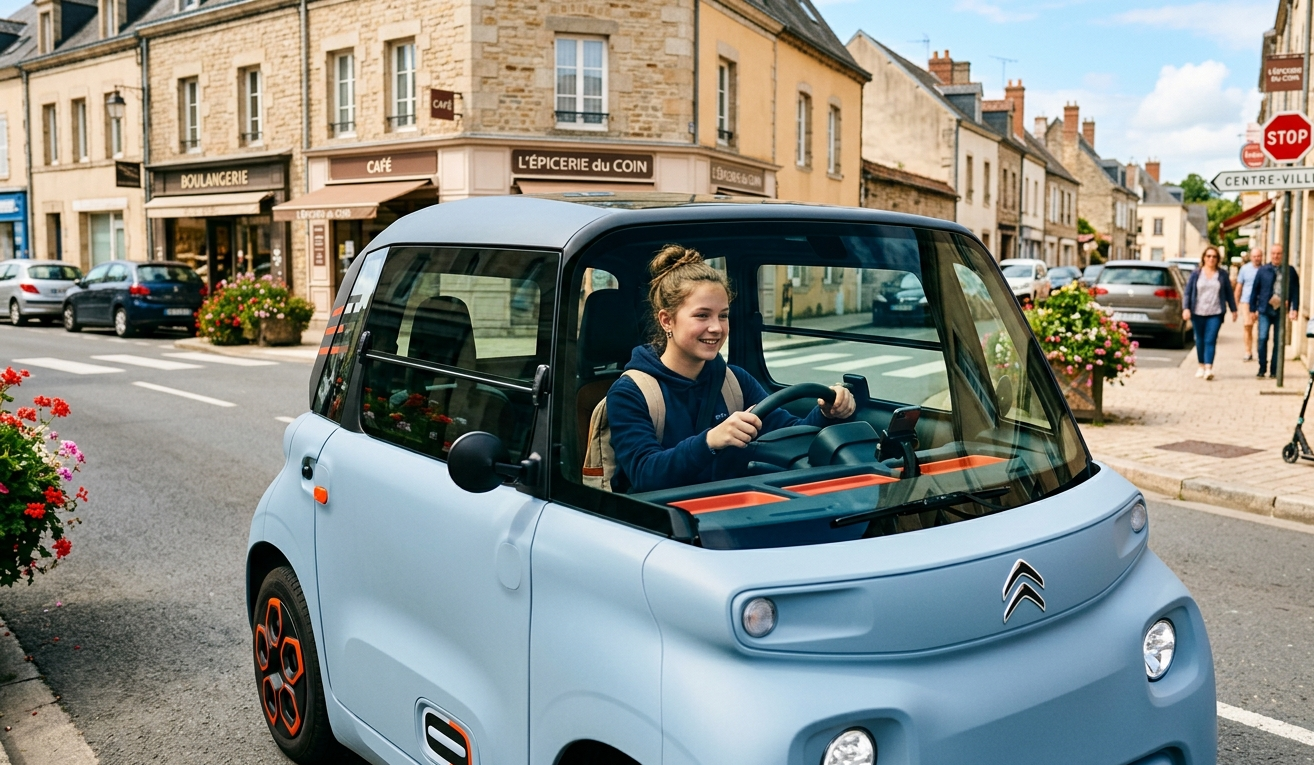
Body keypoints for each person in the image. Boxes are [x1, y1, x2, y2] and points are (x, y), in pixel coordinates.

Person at [606, 245, 856, 493]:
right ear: (667, 320)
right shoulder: (630, 392)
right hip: (664, 524)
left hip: (731, 512)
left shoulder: (734, 381)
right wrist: (710, 441)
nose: (716, 328)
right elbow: (644, 474)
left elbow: (790, 435)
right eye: (702, 315)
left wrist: (827, 413)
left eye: (723, 316)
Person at [1181, 246, 1237, 381]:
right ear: (1204, 258)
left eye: (1214, 257)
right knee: (1199, 340)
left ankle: (1208, 368)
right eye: (1208, 256)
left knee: (1210, 340)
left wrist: (1234, 309)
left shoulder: (1222, 274)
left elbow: (1229, 293)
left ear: (1217, 259)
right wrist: (1186, 308)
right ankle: (1201, 365)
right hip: (1197, 312)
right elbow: (1188, 292)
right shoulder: (1196, 274)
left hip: (1215, 312)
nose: (1211, 259)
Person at [1250, 243, 1302, 379]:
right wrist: (1252, 309)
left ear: (1283, 255)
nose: (1276, 256)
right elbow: (1255, 290)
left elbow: (1296, 291)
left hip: (1281, 309)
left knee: (1279, 341)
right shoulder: (1263, 270)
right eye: (1273, 253)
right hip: (1264, 309)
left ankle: (1274, 370)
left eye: (1279, 253)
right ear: (1270, 255)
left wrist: (1294, 308)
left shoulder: (1290, 271)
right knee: (1262, 338)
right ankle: (1262, 368)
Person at [1234, 248, 1263, 361]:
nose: (1256, 258)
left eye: (1258, 256)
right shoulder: (1245, 269)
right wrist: (1235, 304)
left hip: (1261, 302)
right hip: (1246, 302)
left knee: (1260, 329)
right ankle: (1248, 351)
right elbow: (1239, 286)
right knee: (1247, 327)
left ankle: (1259, 351)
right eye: (1254, 256)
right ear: (1251, 257)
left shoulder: (1265, 269)